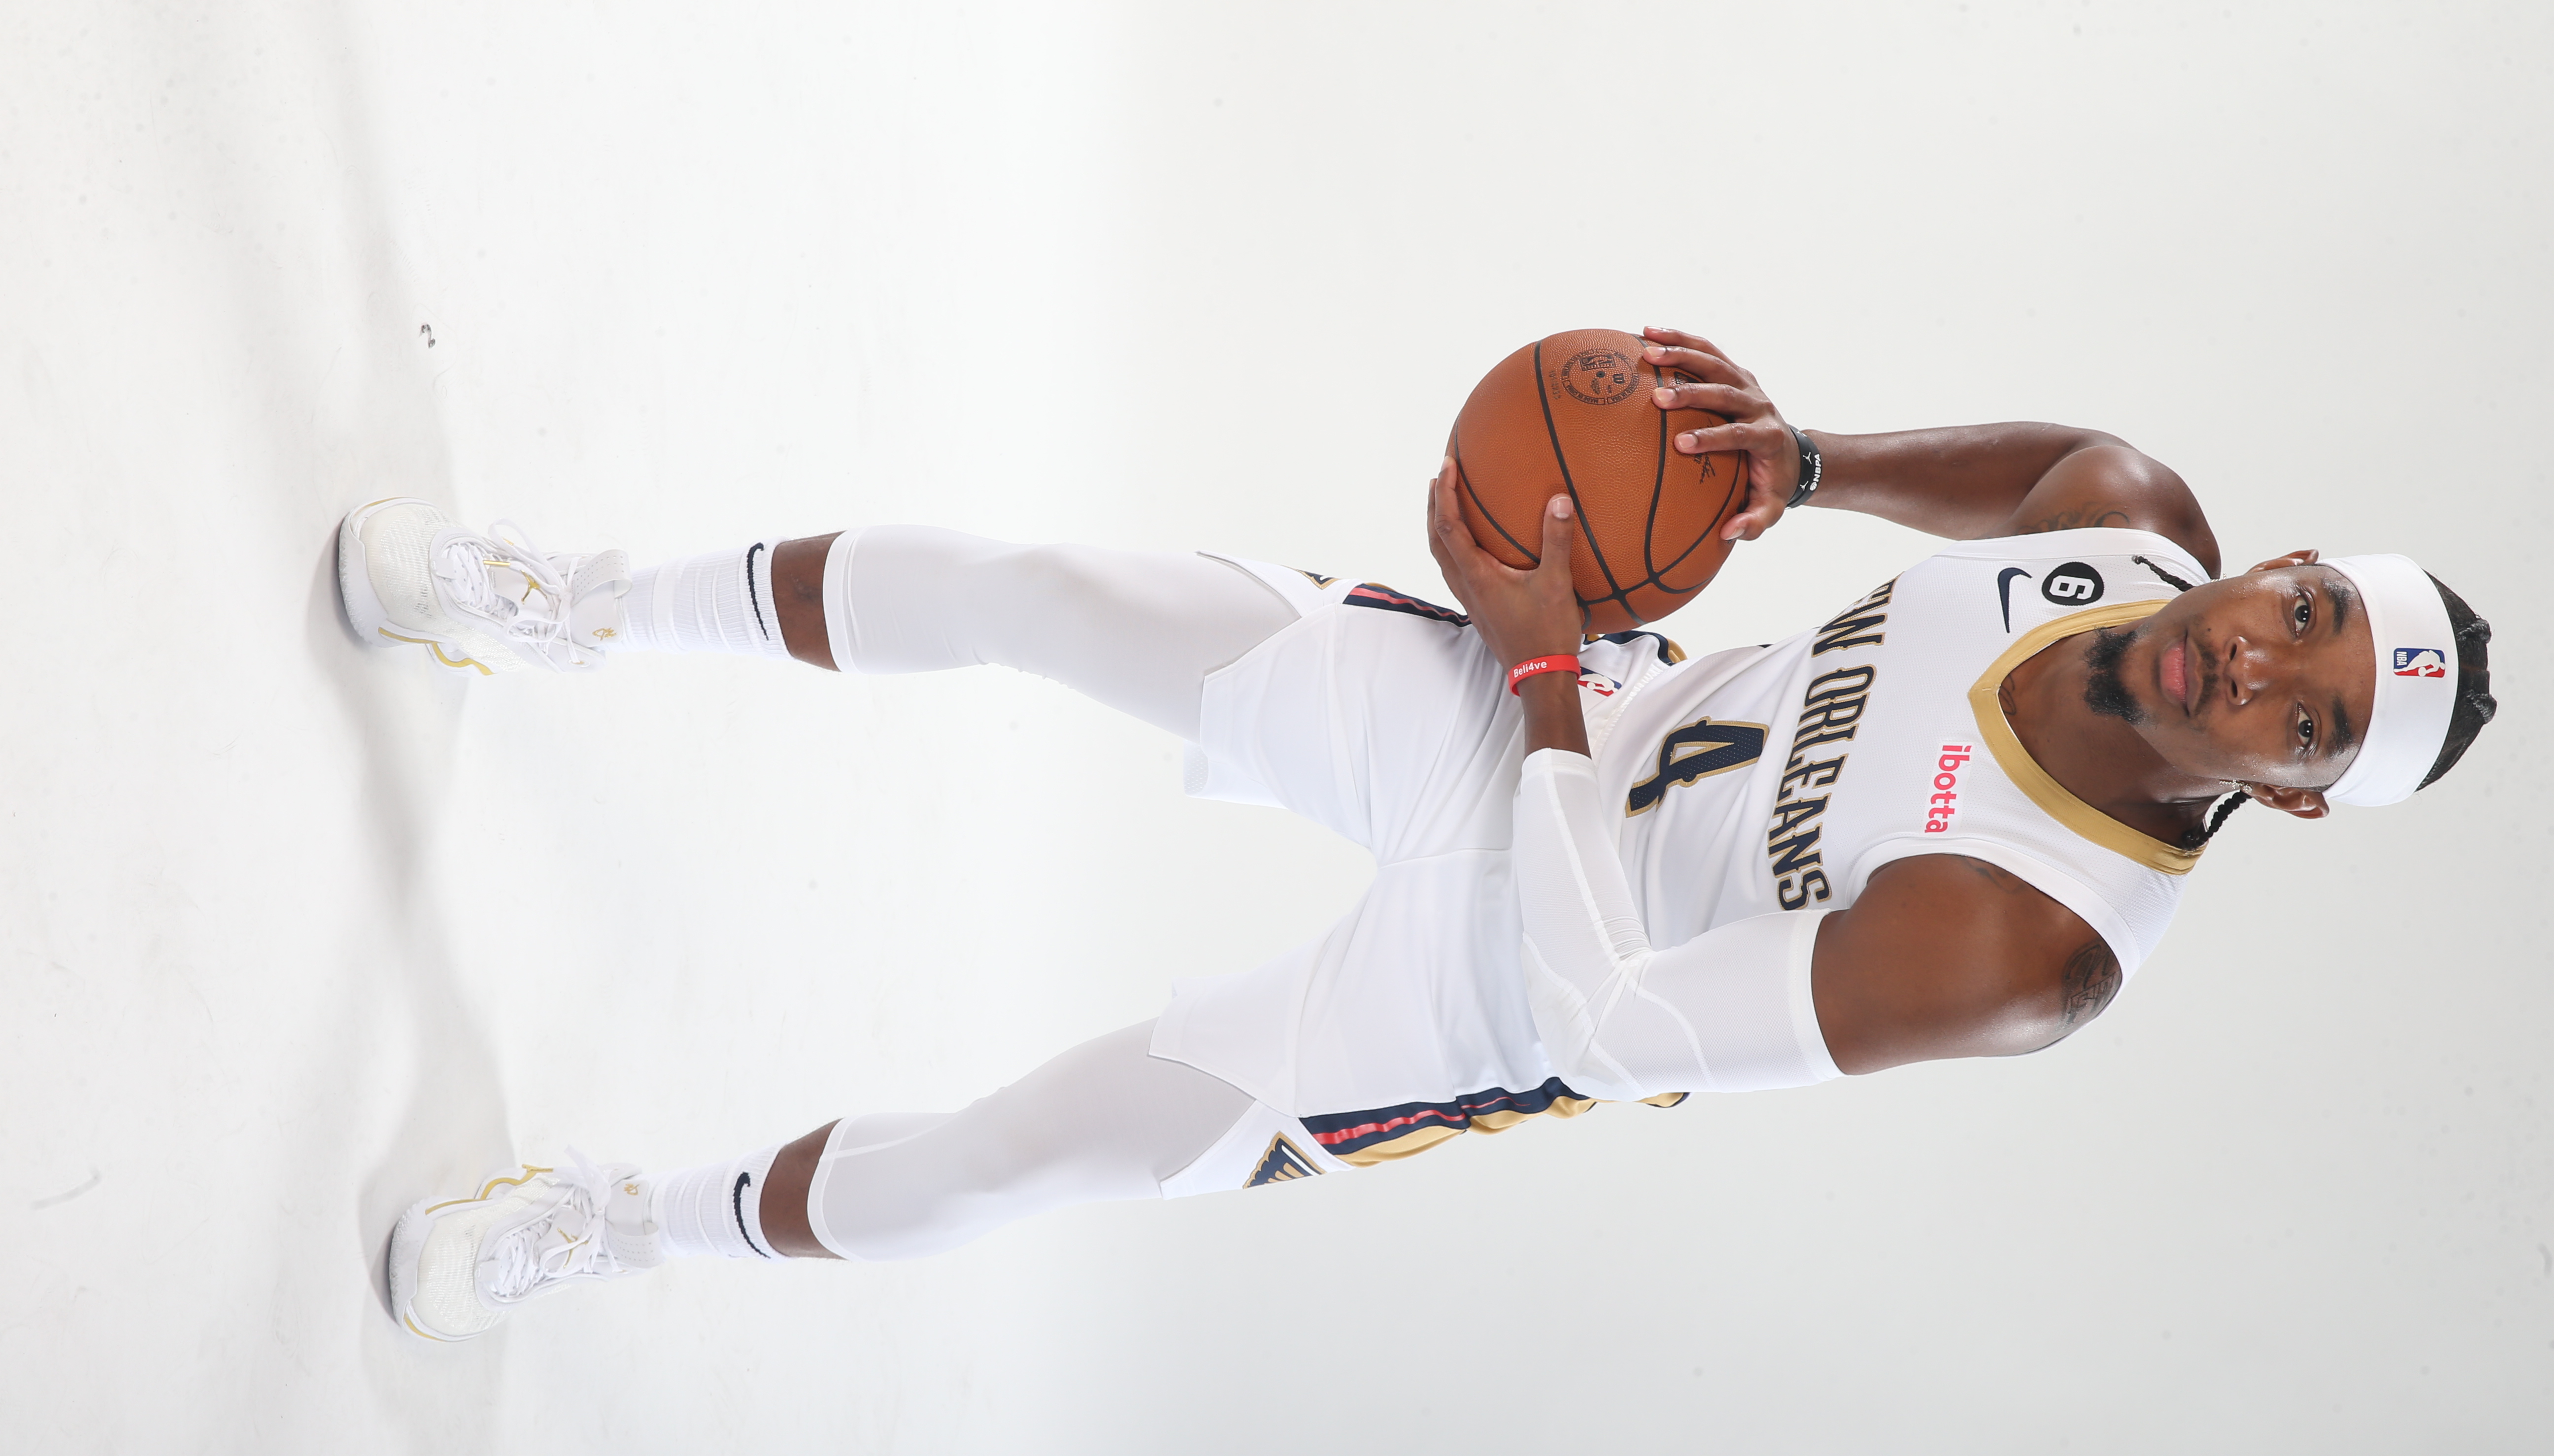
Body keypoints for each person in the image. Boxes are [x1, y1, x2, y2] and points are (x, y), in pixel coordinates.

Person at [346, 329, 2498, 1343]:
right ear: (2279, 560)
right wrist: (1804, 459)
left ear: (2297, 796)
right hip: (1539, 707)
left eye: (2304, 717)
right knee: (1044, 594)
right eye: (2302, 614)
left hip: (1503, 979)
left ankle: (620, 1224)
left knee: (1023, 1150)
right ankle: (562, 609)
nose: (2257, 663)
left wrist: (1553, 666)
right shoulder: (2125, 531)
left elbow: (1628, 1024)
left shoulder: (2031, 956)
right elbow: (2059, 461)